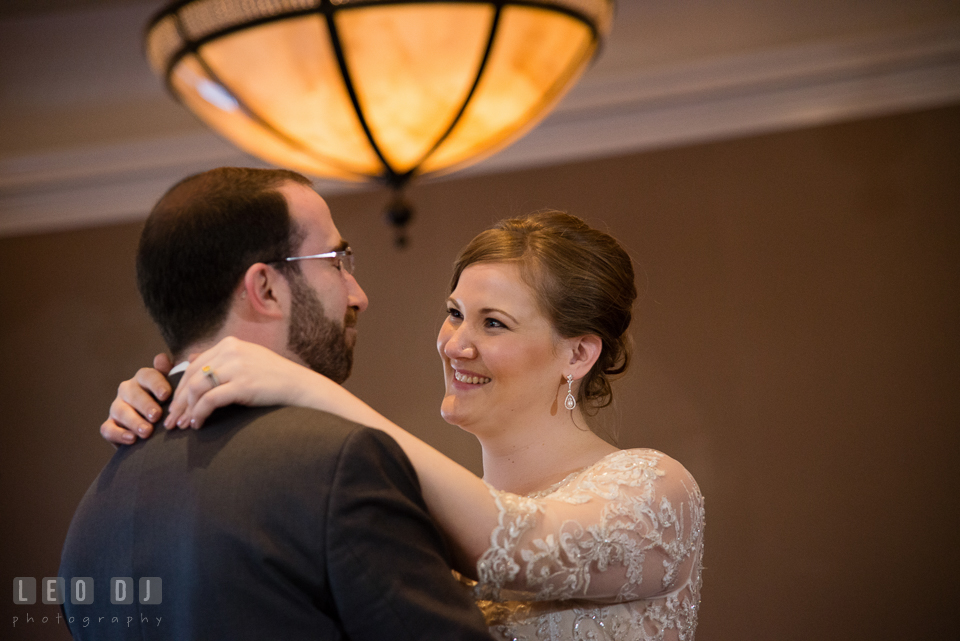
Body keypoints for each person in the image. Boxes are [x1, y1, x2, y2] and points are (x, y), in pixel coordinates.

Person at [105, 209, 706, 640]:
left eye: (493, 323)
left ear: (578, 354)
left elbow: (519, 547)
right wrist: (172, 398)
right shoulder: (422, 527)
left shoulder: (656, 488)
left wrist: (307, 390)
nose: (455, 345)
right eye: (453, 315)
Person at [59, 167, 492, 640]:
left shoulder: (91, 519)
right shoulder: (338, 465)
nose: (358, 295)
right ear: (264, 288)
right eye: (336, 260)